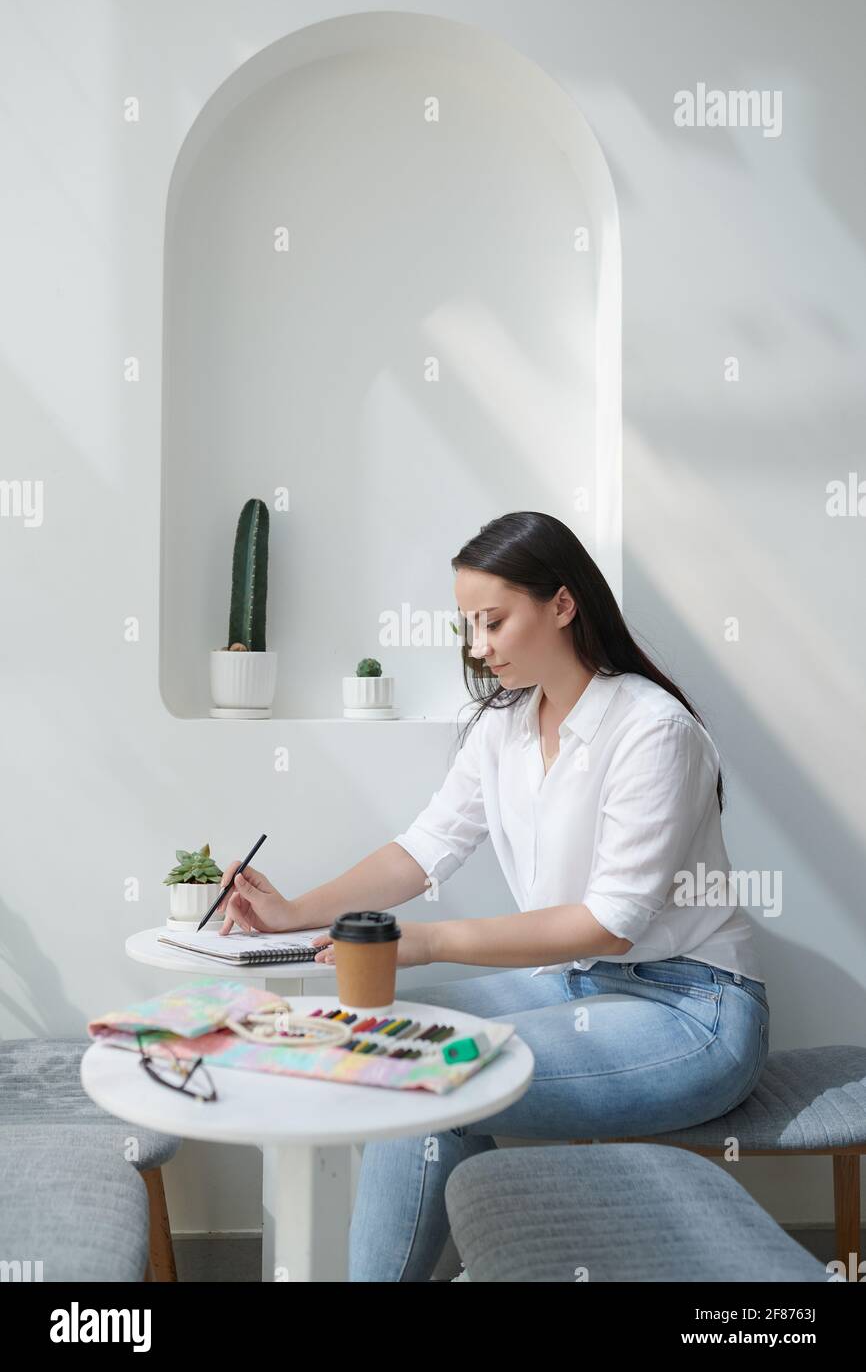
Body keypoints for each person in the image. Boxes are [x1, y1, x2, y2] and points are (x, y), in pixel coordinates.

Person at [218, 510, 769, 1282]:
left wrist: (429, 942)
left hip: (691, 1012)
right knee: (391, 1042)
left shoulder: (652, 732)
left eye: (494, 622)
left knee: (422, 1072)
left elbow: (610, 925)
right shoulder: (504, 725)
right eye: (468, 626)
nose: (477, 648)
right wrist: (293, 909)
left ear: (563, 605)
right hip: (579, 988)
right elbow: (422, 850)